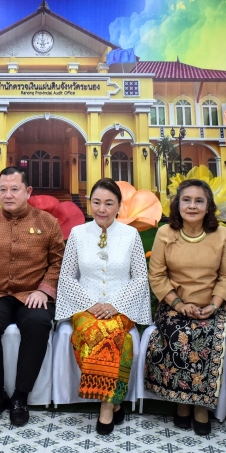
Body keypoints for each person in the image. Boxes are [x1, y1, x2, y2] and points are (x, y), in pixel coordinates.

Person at [0, 167, 65, 426]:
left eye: (14, 189)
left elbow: (58, 263)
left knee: (38, 322)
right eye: (3, 190)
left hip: (32, 294)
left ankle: (21, 396)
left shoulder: (47, 222)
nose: (8, 195)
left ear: (28, 191)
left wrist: (44, 290)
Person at [55, 178, 151, 435]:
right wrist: (90, 304)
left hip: (121, 307)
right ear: (90, 204)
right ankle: (115, 402)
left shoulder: (131, 235)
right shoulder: (78, 234)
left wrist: (115, 305)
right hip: (85, 306)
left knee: (112, 333)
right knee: (104, 335)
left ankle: (106, 407)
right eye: (96, 202)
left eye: (109, 203)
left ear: (119, 206)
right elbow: (67, 277)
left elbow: (140, 278)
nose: (102, 209)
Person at [145, 179, 226, 436]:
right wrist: (179, 304)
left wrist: (214, 305)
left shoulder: (221, 234)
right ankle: (181, 403)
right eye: (186, 200)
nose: (192, 206)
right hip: (173, 305)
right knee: (181, 334)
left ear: (209, 206)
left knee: (206, 334)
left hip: (211, 306)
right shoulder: (165, 233)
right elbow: (157, 276)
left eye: (199, 201)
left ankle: (200, 406)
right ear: (177, 204)